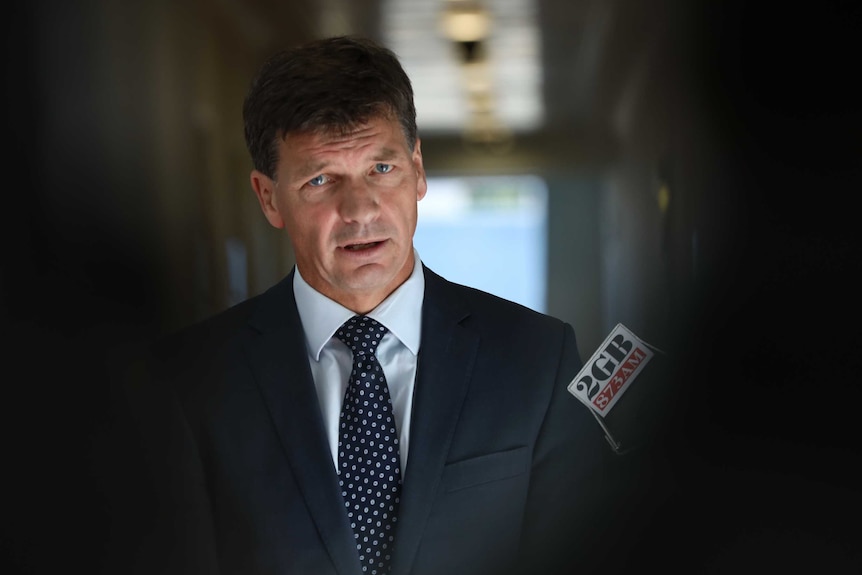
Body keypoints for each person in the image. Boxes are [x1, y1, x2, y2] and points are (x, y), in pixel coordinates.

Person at [132, 35, 619, 575]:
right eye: (321, 180)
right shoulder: (188, 383)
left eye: (381, 170)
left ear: (418, 171)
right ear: (269, 197)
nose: (360, 210)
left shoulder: (538, 360)